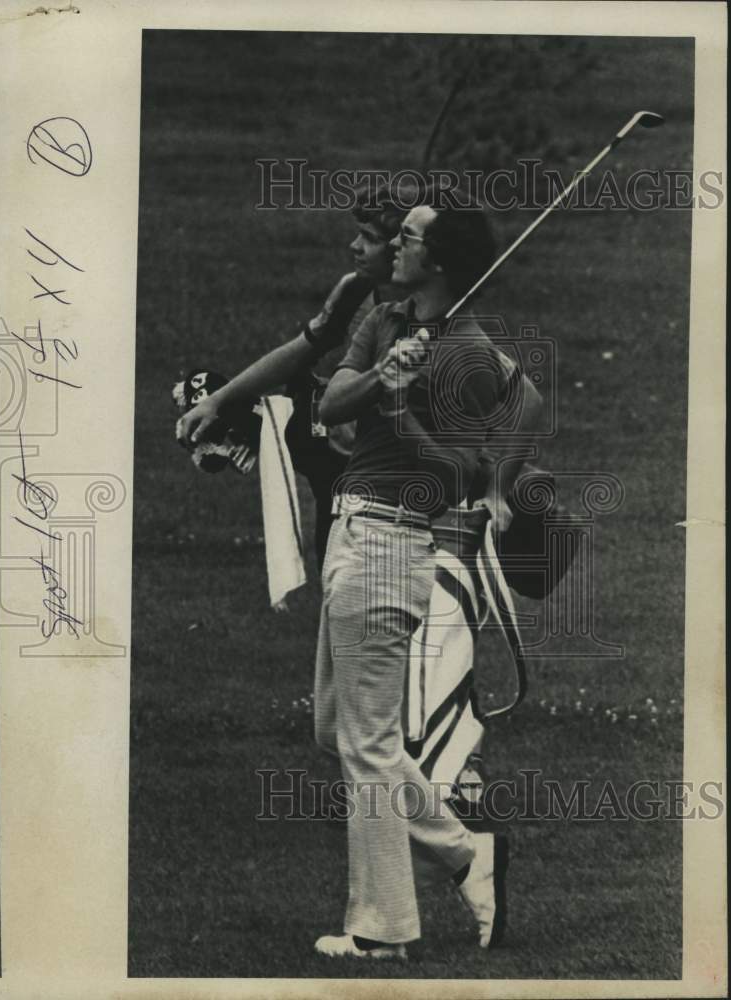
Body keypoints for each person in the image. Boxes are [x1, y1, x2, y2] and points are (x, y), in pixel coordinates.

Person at [312, 197, 541, 959]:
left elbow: (456, 478)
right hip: (349, 535)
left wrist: (403, 409)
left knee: (368, 744)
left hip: (392, 543)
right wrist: (383, 375)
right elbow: (331, 404)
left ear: (435, 259)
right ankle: (464, 851)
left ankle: (381, 932)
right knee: (334, 729)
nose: (392, 248)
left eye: (406, 239)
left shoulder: (466, 353)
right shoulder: (386, 318)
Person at [176, 182, 405, 566]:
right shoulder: (355, 291)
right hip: (335, 455)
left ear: (402, 246)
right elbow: (302, 350)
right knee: (333, 572)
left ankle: (253, 428)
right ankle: (251, 424)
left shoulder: (431, 317)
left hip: (384, 476)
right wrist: (218, 400)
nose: (354, 246)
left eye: (369, 238)